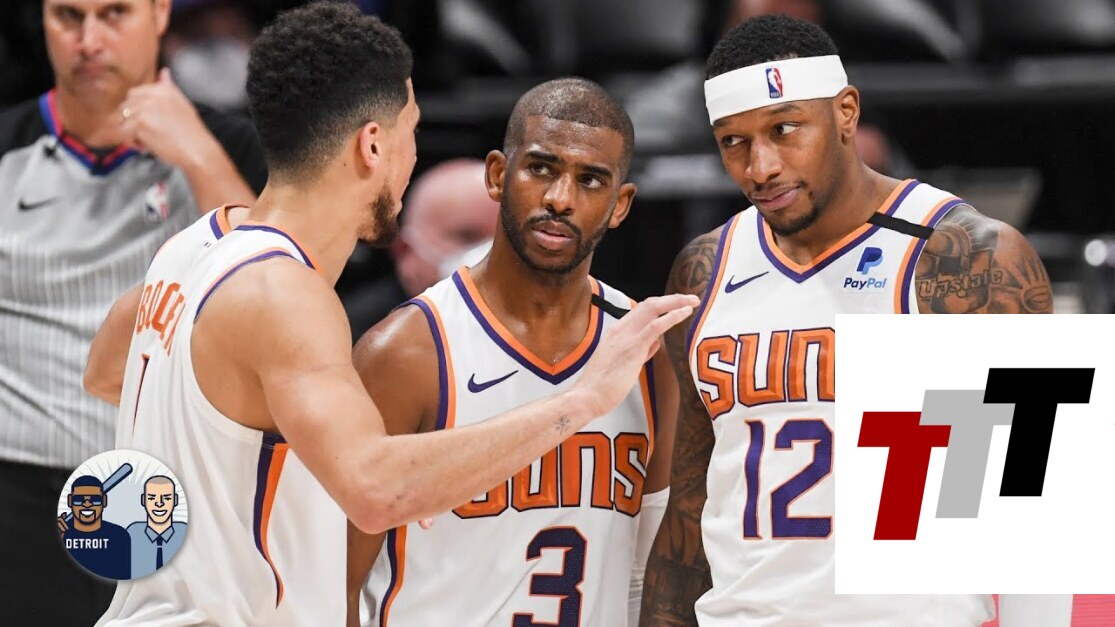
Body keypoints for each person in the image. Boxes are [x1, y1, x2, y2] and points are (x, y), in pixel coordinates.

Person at [96, 4, 695, 625]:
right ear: (373, 144)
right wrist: (581, 401)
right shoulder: (288, 294)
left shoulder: (193, 249)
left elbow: (110, 373)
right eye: (412, 131)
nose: (414, 156)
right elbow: (379, 492)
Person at [640, 14, 1062, 627]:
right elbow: (688, 509)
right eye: (734, 141)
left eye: (784, 129)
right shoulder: (703, 271)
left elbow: (1036, 520)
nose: (760, 167)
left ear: (845, 112)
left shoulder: (971, 256)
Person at [347, 78, 676, 627]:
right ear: (498, 175)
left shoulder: (646, 348)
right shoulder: (406, 351)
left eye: (590, 180)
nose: (560, 199)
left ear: (620, 205)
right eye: (541, 168)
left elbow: (652, 575)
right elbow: (332, 585)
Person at [0, 0, 264, 621]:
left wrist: (196, 153)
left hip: (176, 483)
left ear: (160, 13)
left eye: (114, 13)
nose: (89, 40)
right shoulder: (7, 145)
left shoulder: (231, 146)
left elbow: (271, 291)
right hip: (16, 485)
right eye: (69, 17)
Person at [342, 158, 499, 339]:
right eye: (467, 237)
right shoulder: (352, 337)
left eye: (501, 239)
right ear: (404, 249)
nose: (489, 254)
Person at [58, 475, 131, 580]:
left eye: (95, 499)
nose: (87, 504)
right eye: (79, 499)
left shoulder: (119, 536)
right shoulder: (62, 533)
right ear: (70, 501)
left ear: (104, 501)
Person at [126, 475, 186, 578]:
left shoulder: (184, 533)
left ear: (175, 500)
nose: (159, 503)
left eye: (167, 498)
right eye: (151, 498)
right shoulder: (132, 534)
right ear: (143, 500)